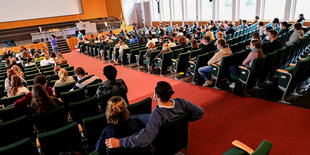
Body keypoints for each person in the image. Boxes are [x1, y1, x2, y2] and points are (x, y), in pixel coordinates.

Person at [105, 81, 204, 149]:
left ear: (157, 95)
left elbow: (146, 138)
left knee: (133, 117)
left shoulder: (157, 114)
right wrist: (184, 119)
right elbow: (200, 112)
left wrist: (120, 142)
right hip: (179, 138)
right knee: (137, 117)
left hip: (164, 143)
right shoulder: (181, 102)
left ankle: (128, 117)